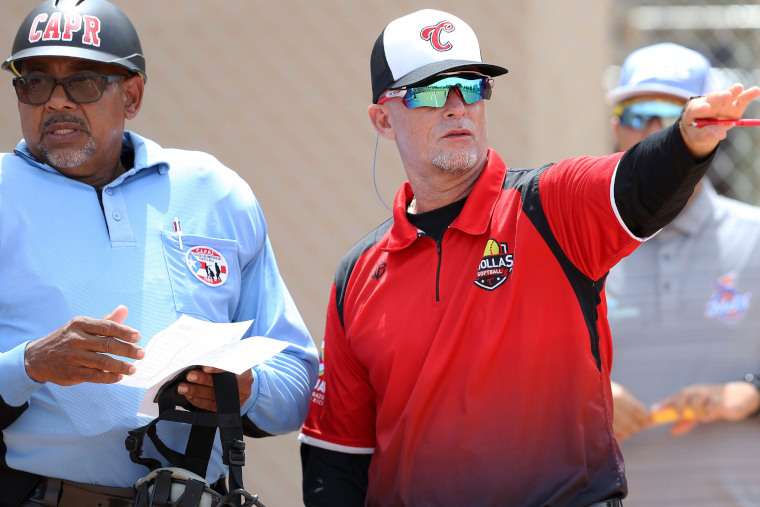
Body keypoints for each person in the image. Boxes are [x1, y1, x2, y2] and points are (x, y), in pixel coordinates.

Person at [298, 9, 759, 507]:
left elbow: (635, 184)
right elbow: (336, 460)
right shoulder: (360, 273)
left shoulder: (549, 206)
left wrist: (688, 140)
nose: (456, 108)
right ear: (383, 119)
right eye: (430, 92)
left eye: (471, 87)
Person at [0, 1, 318, 506]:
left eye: (82, 81)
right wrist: (30, 365)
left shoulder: (215, 192)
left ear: (132, 95)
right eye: (34, 81)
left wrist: (244, 388)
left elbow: (298, 377)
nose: (56, 102)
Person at [605, 43, 760, 506]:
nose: (655, 132)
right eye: (636, 114)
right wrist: (585, 396)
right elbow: (512, 376)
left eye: (675, 114)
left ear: (720, 127)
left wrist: (749, 393)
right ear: (615, 125)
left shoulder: (755, 238)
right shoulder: (575, 249)